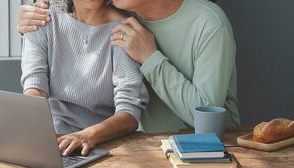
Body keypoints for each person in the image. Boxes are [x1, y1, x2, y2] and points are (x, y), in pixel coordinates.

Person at [19, 0, 241, 133]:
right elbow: (77, 20)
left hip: (216, 154)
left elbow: (206, 120)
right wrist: (29, 21)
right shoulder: (125, 15)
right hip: (148, 149)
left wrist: (150, 57)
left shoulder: (209, 23)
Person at [21, 0, 149, 156]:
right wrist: (35, 131)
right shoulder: (41, 17)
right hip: (51, 138)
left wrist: (87, 135)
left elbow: (129, 114)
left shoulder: (123, 30)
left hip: (103, 143)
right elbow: (34, 87)